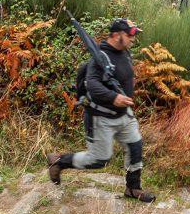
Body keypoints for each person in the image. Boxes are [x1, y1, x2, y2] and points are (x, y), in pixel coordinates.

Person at [47, 18, 155, 203]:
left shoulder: (124, 52)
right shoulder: (100, 57)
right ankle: (59, 162)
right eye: (130, 35)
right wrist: (115, 97)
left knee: (135, 146)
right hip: (101, 118)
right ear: (116, 35)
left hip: (124, 115)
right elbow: (93, 85)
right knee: (98, 160)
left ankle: (132, 188)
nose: (133, 38)